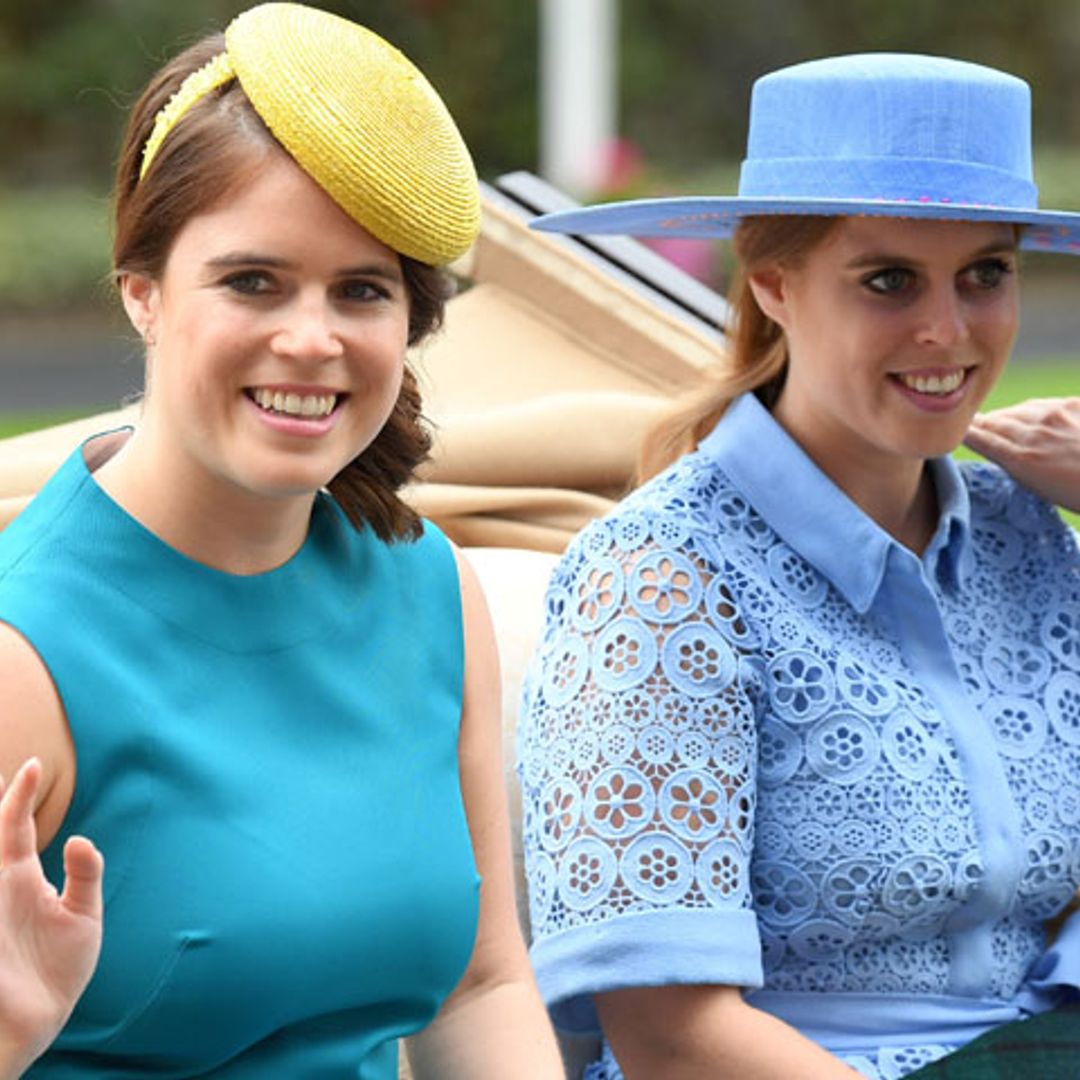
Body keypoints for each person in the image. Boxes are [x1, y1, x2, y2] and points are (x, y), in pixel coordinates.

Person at [0, 4, 564, 1076]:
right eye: (252, 281)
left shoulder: (426, 588)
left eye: (361, 290)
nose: (311, 340)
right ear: (143, 295)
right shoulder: (23, 653)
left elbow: (481, 987)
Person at [517, 53, 1080, 1079]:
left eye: (986, 273)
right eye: (888, 280)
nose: (947, 330)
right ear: (772, 284)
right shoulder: (661, 581)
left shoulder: (1030, 538)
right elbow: (669, 1038)